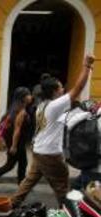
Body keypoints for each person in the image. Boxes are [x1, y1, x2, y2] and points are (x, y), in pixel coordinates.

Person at [11, 55, 95, 207]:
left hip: (39, 150)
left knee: (29, 181)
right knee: (63, 188)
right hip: (50, 154)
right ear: (55, 91)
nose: (63, 89)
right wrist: (86, 66)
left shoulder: (42, 105)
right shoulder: (55, 105)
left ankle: (12, 204)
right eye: (61, 87)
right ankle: (69, 215)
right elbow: (78, 88)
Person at [0, 87, 33, 184]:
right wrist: (13, 146)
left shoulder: (13, 109)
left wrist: (5, 141)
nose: (30, 96)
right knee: (9, 165)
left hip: (16, 142)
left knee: (23, 163)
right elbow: (17, 130)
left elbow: (2, 125)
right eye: (28, 94)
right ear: (23, 97)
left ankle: (21, 183)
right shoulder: (21, 112)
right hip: (17, 143)